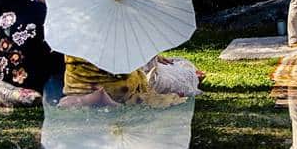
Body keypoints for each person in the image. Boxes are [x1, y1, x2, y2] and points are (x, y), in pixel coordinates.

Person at [58, 55, 205, 107]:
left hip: (132, 76)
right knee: (174, 74)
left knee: (176, 68)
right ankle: (191, 76)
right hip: (127, 81)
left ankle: (190, 75)